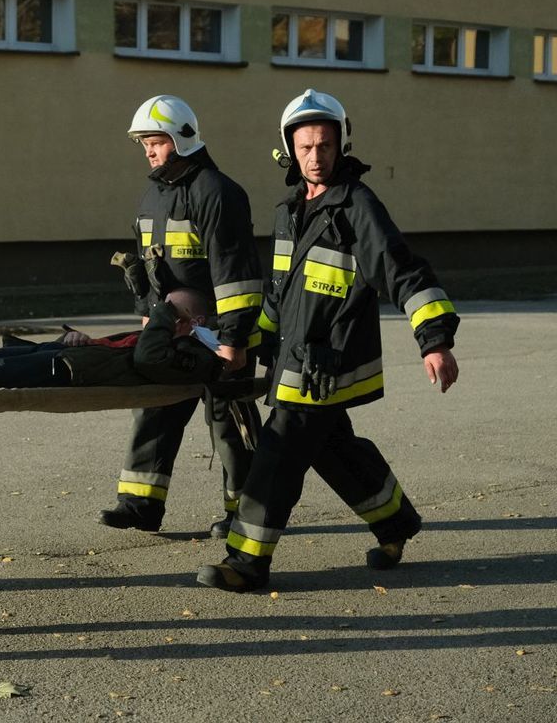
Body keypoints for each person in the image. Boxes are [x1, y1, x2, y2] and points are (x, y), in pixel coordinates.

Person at [197, 89, 460, 593]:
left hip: (329, 363)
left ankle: (247, 561)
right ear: (289, 150)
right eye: (305, 147)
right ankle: (396, 522)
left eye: (324, 145)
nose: (315, 157)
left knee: (278, 452)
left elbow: (402, 271)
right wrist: (247, 343)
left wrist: (434, 340)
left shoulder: (357, 205)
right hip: (292, 360)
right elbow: (279, 296)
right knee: (336, 450)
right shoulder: (288, 210)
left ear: (341, 145)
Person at [100, 95, 263, 538]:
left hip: (215, 332)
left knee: (229, 422)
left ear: (182, 139)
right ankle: (139, 505)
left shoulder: (217, 192)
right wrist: (146, 317)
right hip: (169, 326)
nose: (149, 152)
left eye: (156, 142)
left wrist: (234, 339)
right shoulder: (153, 195)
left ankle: (244, 513)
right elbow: (147, 264)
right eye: (145, 144)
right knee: (154, 407)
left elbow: (236, 272)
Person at [0, 288, 222, 389]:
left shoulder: (193, 354)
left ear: (194, 322)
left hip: (73, 370)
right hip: (68, 354)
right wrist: (74, 336)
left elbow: (147, 360)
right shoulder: (164, 335)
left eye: (170, 311)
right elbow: (110, 348)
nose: (160, 314)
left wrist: (163, 316)